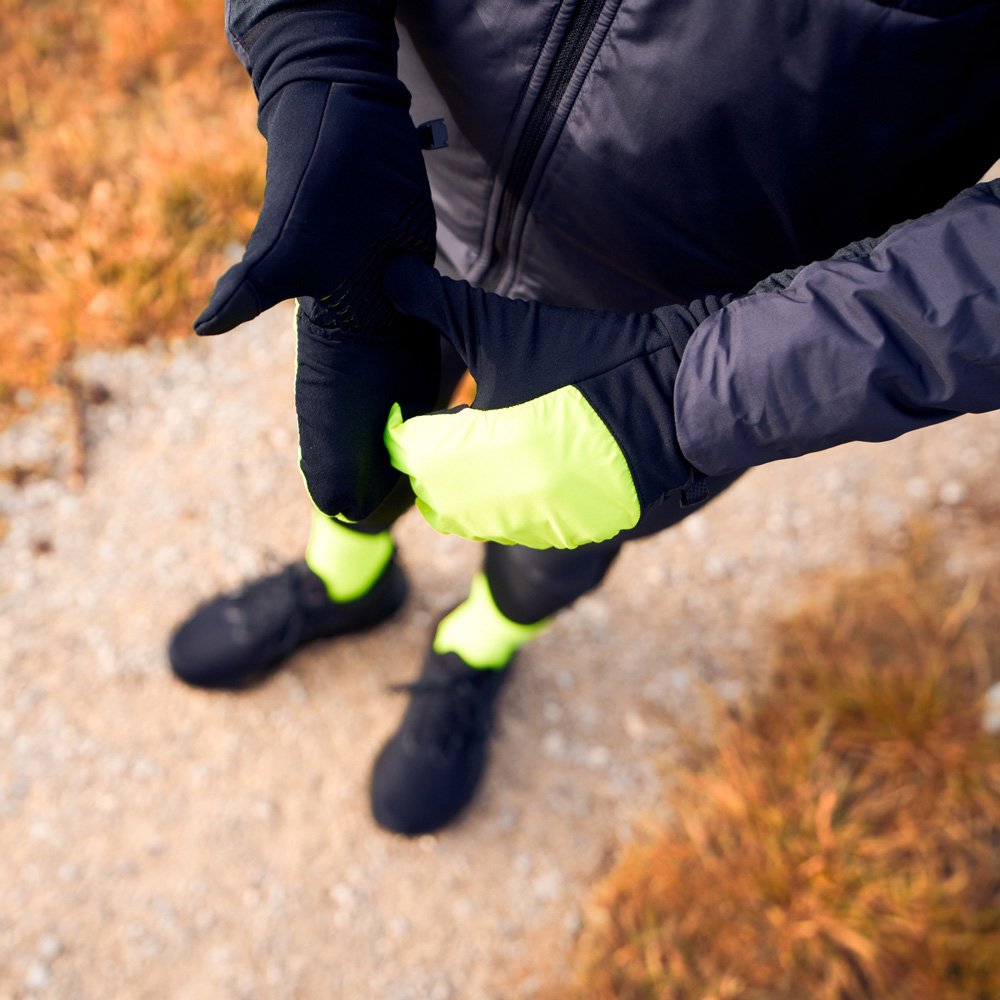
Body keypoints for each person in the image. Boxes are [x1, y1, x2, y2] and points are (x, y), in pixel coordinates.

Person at [169, 0, 1000, 836]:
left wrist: (689, 388)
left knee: (555, 540)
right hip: (420, 184)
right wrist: (311, 49)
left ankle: (476, 643)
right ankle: (346, 582)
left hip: (681, 321)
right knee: (349, 439)